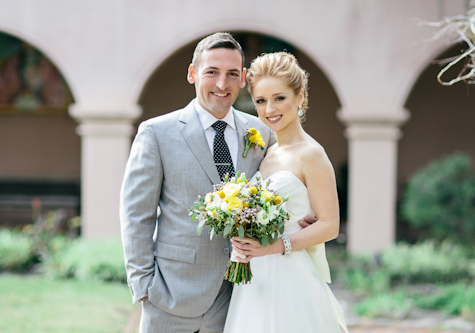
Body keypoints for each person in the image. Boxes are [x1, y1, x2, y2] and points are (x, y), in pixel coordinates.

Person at [120, 33, 315, 333]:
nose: (222, 84)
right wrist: (144, 286)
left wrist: (301, 217)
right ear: (192, 73)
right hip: (171, 297)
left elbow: (281, 186)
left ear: (243, 78)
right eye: (212, 72)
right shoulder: (156, 133)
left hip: (241, 297)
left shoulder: (262, 132)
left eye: (232, 74)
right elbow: (136, 215)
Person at [224, 52, 349, 333]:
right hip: (255, 279)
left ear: (300, 97)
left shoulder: (312, 154)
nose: (270, 109)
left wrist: (273, 246)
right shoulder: (266, 153)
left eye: (279, 98)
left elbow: (330, 226)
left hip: (290, 276)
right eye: (261, 100)